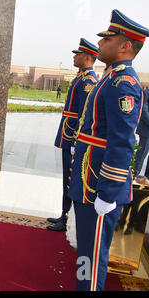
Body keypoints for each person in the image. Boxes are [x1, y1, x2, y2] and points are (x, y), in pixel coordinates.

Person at [68, 9, 149, 291]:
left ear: (125, 45)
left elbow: (123, 141)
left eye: (107, 39)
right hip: (89, 182)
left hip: (98, 187)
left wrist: (108, 192)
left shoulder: (122, 84)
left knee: (92, 257)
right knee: (85, 253)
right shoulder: (110, 77)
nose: (100, 44)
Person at [48, 38, 98, 232]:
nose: (75, 57)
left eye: (78, 54)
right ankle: (63, 213)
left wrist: (77, 139)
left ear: (87, 57)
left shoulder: (88, 81)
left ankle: (66, 217)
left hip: (73, 137)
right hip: (68, 134)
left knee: (70, 178)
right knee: (67, 177)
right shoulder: (81, 77)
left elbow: (85, 114)